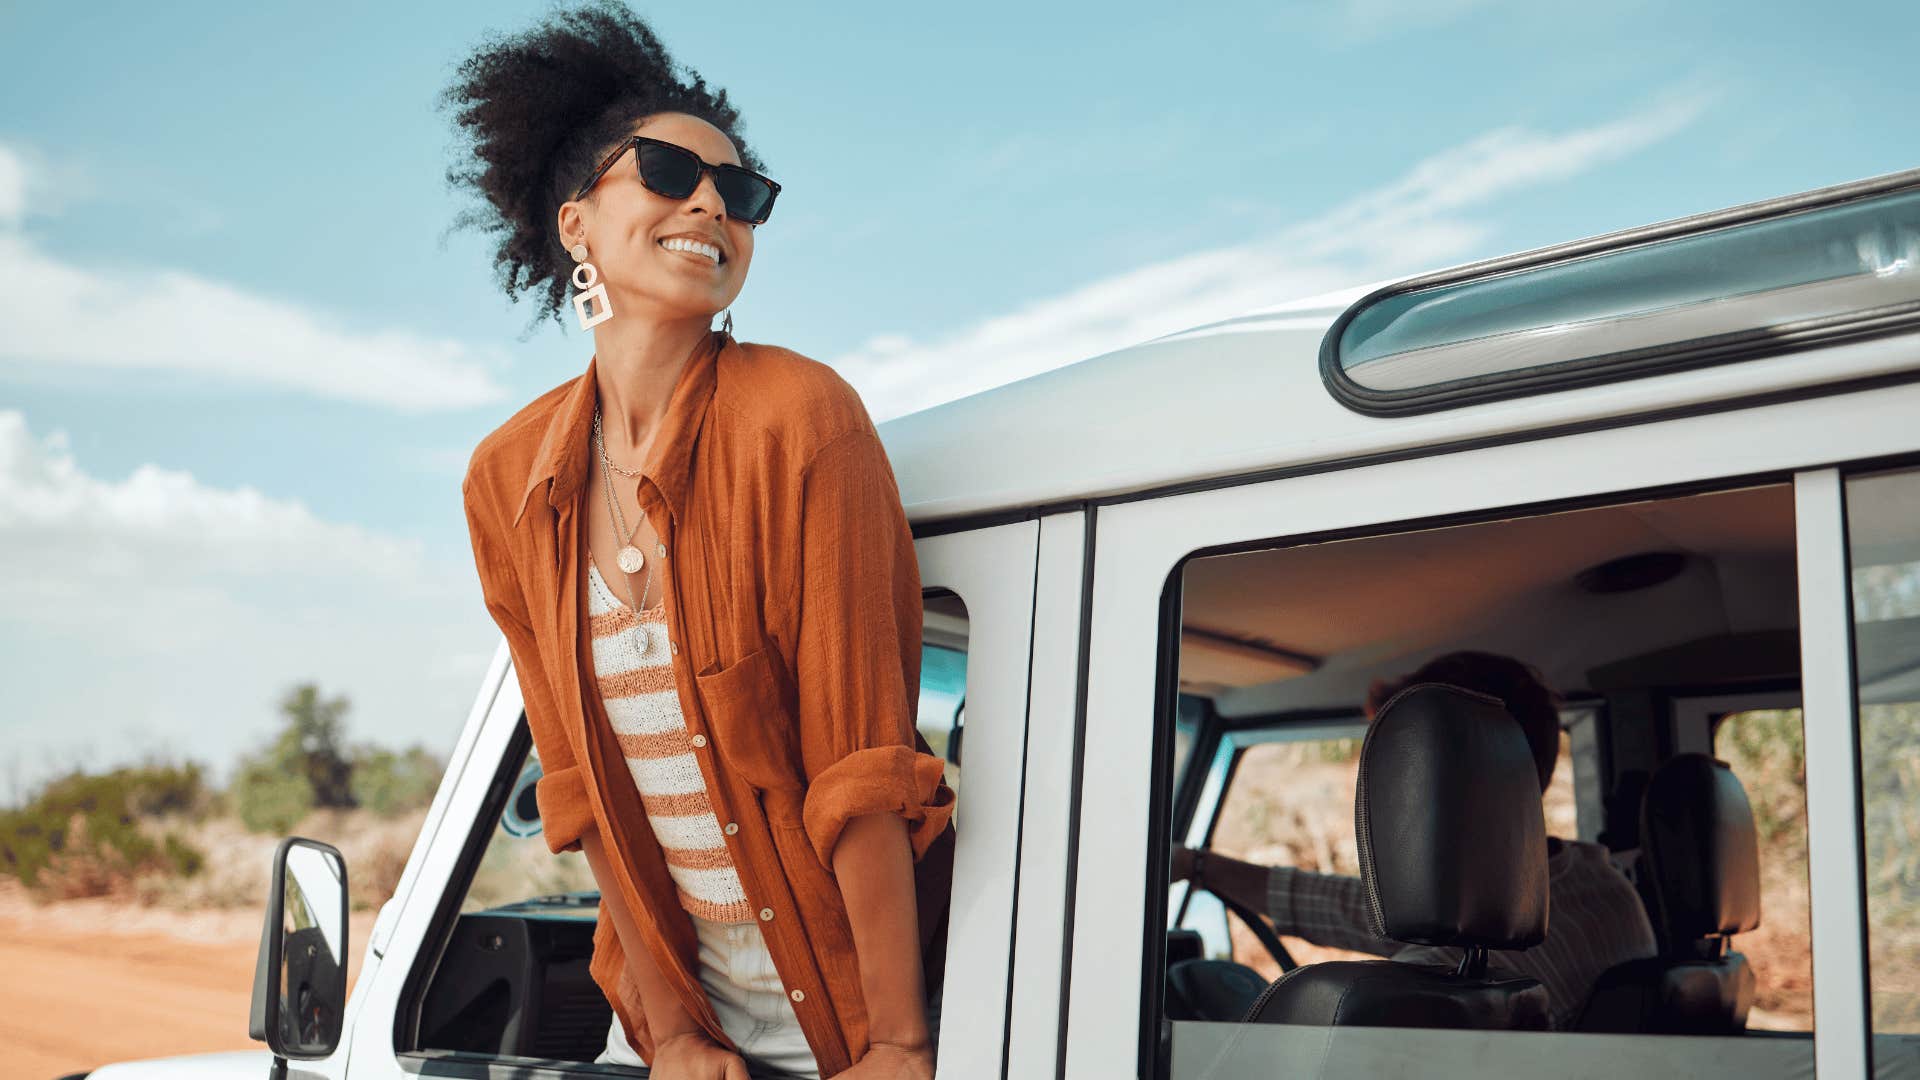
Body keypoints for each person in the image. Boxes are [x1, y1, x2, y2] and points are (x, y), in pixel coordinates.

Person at [447, 5, 953, 1078]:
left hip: (854, 1030)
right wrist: (671, 1035)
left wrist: (899, 1046)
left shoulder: (804, 419)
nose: (714, 202)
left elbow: (864, 769)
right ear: (575, 221)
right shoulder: (507, 480)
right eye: (671, 170)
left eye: (745, 192)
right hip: (686, 1039)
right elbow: (579, 786)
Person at [1171, 651, 1656, 1030]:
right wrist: (1198, 865)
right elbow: (1349, 906)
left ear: (1431, 781)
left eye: (1396, 767)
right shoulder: (1604, 887)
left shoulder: (1446, 988)